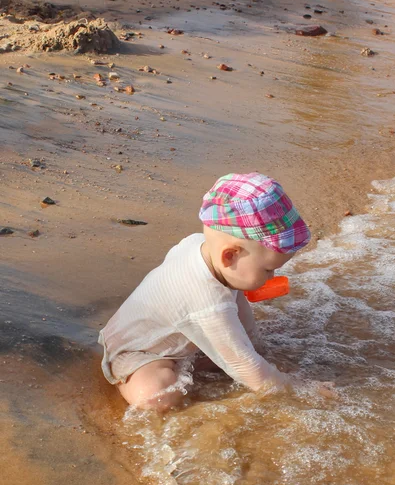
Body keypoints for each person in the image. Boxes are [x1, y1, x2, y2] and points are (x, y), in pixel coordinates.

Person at [98, 173, 311, 411]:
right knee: (157, 396)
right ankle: (127, 382)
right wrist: (299, 389)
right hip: (138, 352)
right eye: (269, 269)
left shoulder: (199, 245)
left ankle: (200, 358)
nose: (271, 278)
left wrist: (257, 347)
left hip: (174, 335)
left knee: (241, 346)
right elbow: (248, 370)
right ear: (229, 256)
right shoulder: (208, 302)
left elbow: (238, 308)